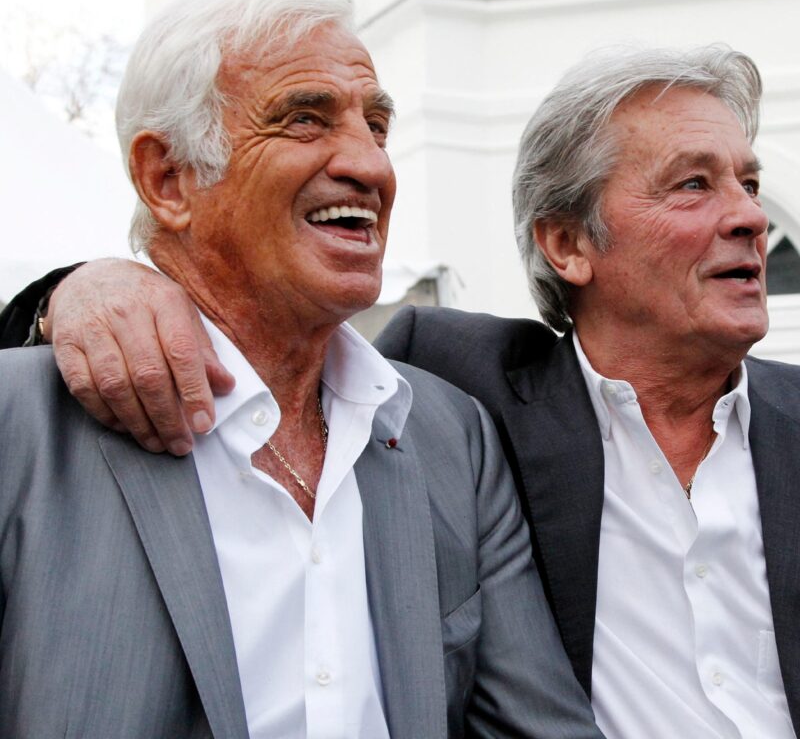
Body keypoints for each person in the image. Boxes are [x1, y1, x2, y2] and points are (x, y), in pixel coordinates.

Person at [3, 42, 795, 737]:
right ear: (565, 244)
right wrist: (71, 289)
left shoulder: (441, 426)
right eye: (693, 185)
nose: (751, 219)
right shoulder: (460, 398)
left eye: (750, 184)